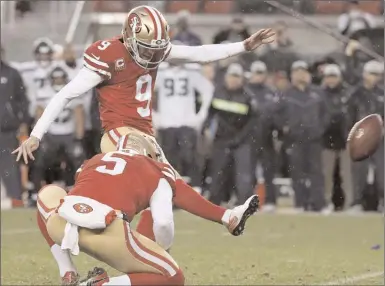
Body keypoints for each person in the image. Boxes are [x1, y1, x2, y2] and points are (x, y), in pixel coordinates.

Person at [14, 5, 272, 241]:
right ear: (128, 36)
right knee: (146, 181)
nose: (153, 54)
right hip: (118, 131)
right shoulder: (108, 56)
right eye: (148, 48)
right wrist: (37, 134)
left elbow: (200, 53)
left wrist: (244, 46)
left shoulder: (155, 48)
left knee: (167, 200)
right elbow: (66, 94)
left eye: (157, 48)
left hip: (146, 133)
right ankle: (91, 217)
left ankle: (216, 225)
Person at [36, 133, 184, 285]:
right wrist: (162, 251)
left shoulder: (94, 160)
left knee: (49, 193)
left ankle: (67, 270)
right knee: (173, 275)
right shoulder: (158, 171)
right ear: (149, 154)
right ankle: (101, 284)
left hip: (62, 227)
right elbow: (163, 223)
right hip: (108, 234)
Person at [277, 61, 329, 212]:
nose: (301, 75)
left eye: (303, 71)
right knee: (297, 172)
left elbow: (326, 114)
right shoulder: (286, 94)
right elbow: (276, 114)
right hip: (294, 140)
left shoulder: (318, 93)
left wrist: (320, 129)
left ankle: (319, 204)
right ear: (292, 75)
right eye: (297, 72)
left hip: (314, 140)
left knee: (316, 172)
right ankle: (300, 204)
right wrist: (284, 128)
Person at [154, 60, 214, 190]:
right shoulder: (160, 73)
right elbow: (144, 90)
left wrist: (201, 114)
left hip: (186, 123)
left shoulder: (190, 73)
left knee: (190, 157)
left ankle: (195, 187)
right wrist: (153, 115)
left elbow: (208, 89)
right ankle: (172, 189)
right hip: (167, 123)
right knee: (169, 160)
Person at [207, 63, 257, 206]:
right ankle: (214, 204)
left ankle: (245, 205)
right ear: (226, 77)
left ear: (241, 79)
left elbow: (253, 122)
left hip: (242, 140)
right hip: (221, 139)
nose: (233, 80)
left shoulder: (248, 96)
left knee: (243, 176)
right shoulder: (217, 92)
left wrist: (239, 138)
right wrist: (207, 128)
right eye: (231, 76)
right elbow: (211, 113)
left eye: (236, 77)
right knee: (217, 173)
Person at [31, 65, 85, 195]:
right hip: (51, 133)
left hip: (69, 133)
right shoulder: (44, 92)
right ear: (51, 79)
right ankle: (37, 192)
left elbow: (79, 113)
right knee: (41, 161)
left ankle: (77, 190)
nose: (58, 81)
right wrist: (37, 135)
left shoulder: (72, 89)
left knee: (78, 161)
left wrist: (79, 136)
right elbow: (38, 113)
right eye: (56, 79)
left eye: (60, 78)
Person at [347, 60, 384, 212]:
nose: (374, 77)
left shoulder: (382, 94)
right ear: (364, 74)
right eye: (371, 73)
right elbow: (349, 116)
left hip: (380, 139)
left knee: (382, 172)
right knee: (359, 172)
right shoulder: (355, 94)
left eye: (377, 74)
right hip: (360, 139)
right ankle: (356, 203)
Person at [246, 61, 279, 212]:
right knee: (248, 170)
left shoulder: (271, 92)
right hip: (249, 137)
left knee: (268, 171)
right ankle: (248, 200)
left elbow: (276, 114)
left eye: (261, 73)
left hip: (267, 137)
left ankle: (271, 200)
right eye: (256, 73)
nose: (258, 76)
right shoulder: (245, 91)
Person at [0, 46, 30, 207]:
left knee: (10, 167)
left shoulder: (11, 73)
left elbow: (22, 100)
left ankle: (17, 202)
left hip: (6, 130)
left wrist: (24, 122)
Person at [321, 64, 353, 210]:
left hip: (346, 140)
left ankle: (349, 204)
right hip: (326, 140)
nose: (331, 80)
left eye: (334, 76)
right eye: (329, 76)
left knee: (346, 175)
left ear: (339, 77)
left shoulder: (347, 94)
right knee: (327, 175)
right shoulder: (320, 95)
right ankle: (327, 203)